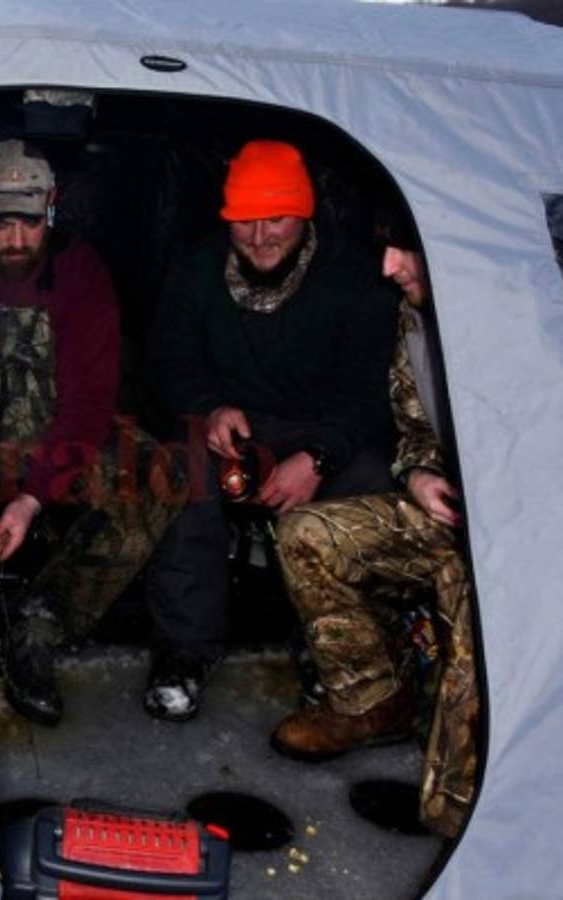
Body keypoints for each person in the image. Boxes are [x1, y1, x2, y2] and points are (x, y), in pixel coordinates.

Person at [143, 140, 400, 721]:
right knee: (180, 473)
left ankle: (328, 649)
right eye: (244, 221)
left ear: (304, 215)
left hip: (325, 430)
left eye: (276, 218)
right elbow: (168, 359)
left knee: (372, 482)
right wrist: (209, 408)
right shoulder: (196, 268)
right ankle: (184, 652)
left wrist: (318, 456)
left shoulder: (357, 276)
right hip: (234, 425)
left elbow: (370, 392)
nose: (260, 236)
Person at [270, 208, 479, 838]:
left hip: (522, 537)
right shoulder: (412, 320)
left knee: (474, 608)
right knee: (306, 535)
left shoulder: (522, 322)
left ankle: (464, 814)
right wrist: (418, 475)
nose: (390, 267)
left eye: (409, 251)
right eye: (389, 247)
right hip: (445, 515)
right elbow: (413, 426)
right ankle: (371, 702)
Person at [0, 138, 185, 726]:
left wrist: (30, 497)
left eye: (29, 222)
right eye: (1, 225)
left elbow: (87, 403)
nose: (17, 241)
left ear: (50, 209)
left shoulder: (79, 272)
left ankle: (38, 625)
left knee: (160, 476)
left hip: (56, 442)